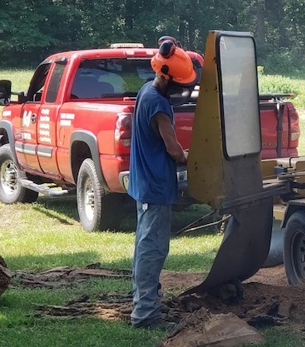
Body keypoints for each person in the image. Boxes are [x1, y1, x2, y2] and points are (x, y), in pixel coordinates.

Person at [128, 38, 200, 329]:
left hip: (146, 183)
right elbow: (173, 150)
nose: (184, 90)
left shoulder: (147, 89)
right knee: (153, 248)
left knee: (145, 244)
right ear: (168, 79)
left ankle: (145, 301)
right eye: (182, 85)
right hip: (154, 186)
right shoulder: (157, 104)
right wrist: (195, 159)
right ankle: (145, 314)